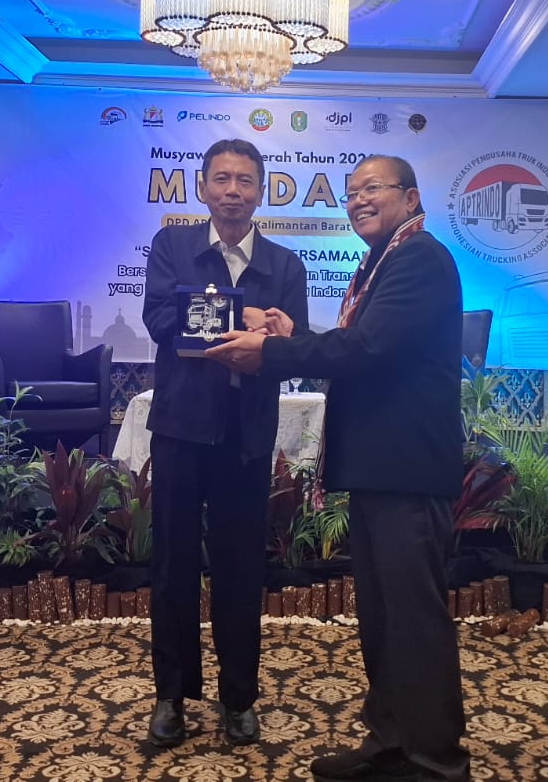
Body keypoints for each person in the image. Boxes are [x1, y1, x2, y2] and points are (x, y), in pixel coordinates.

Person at [204, 155, 470, 782]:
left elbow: (366, 348)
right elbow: (364, 344)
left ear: (411, 198)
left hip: (407, 469)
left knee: (413, 618)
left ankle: (436, 760)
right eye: (351, 193)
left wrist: (273, 351)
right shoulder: (382, 260)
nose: (358, 201)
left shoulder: (420, 258)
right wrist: (291, 336)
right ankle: (391, 741)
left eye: (373, 188)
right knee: (383, 617)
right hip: (383, 468)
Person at [140, 138, 309, 748]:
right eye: (222, 179)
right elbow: (161, 321)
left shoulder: (286, 265)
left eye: (245, 181)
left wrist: (281, 334)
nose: (233, 191)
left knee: (240, 570)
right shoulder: (172, 247)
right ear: (203, 187)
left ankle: (239, 698)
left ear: (262, 192)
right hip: (182, 429)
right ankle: (171, 696)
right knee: (173, 566)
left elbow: (294, 347)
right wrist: (243, 323)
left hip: (246, 436)